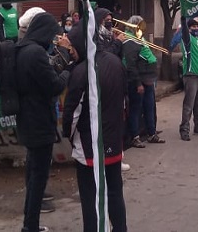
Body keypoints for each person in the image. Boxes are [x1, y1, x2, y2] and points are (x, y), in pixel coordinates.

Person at [63, 20, 127, 232]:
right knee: (115, 193)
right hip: (114, 143)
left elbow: (72, 114)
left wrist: (69, 137)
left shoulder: (81, 71)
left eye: (72, 47)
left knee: (90, 198)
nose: (71, 52)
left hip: (89, 147)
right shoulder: (116, 62)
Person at [15, 13, 68, 232]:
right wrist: (66, 67)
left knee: (33, 173)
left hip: (27, 119)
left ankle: (29, 224)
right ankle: (31, 227)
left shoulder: (21, 49)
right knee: (38, 178)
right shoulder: (36, 53)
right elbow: (54, 85)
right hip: (39, 121)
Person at [121, 15, 163, 147]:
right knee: (136, 109)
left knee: (149, 107)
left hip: (147, 79)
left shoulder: (139, 39)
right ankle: (135, 136)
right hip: (137, 81)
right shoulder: (129, 41)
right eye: (139, 25)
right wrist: (138, 83)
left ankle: (151, 133)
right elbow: (131, 65)